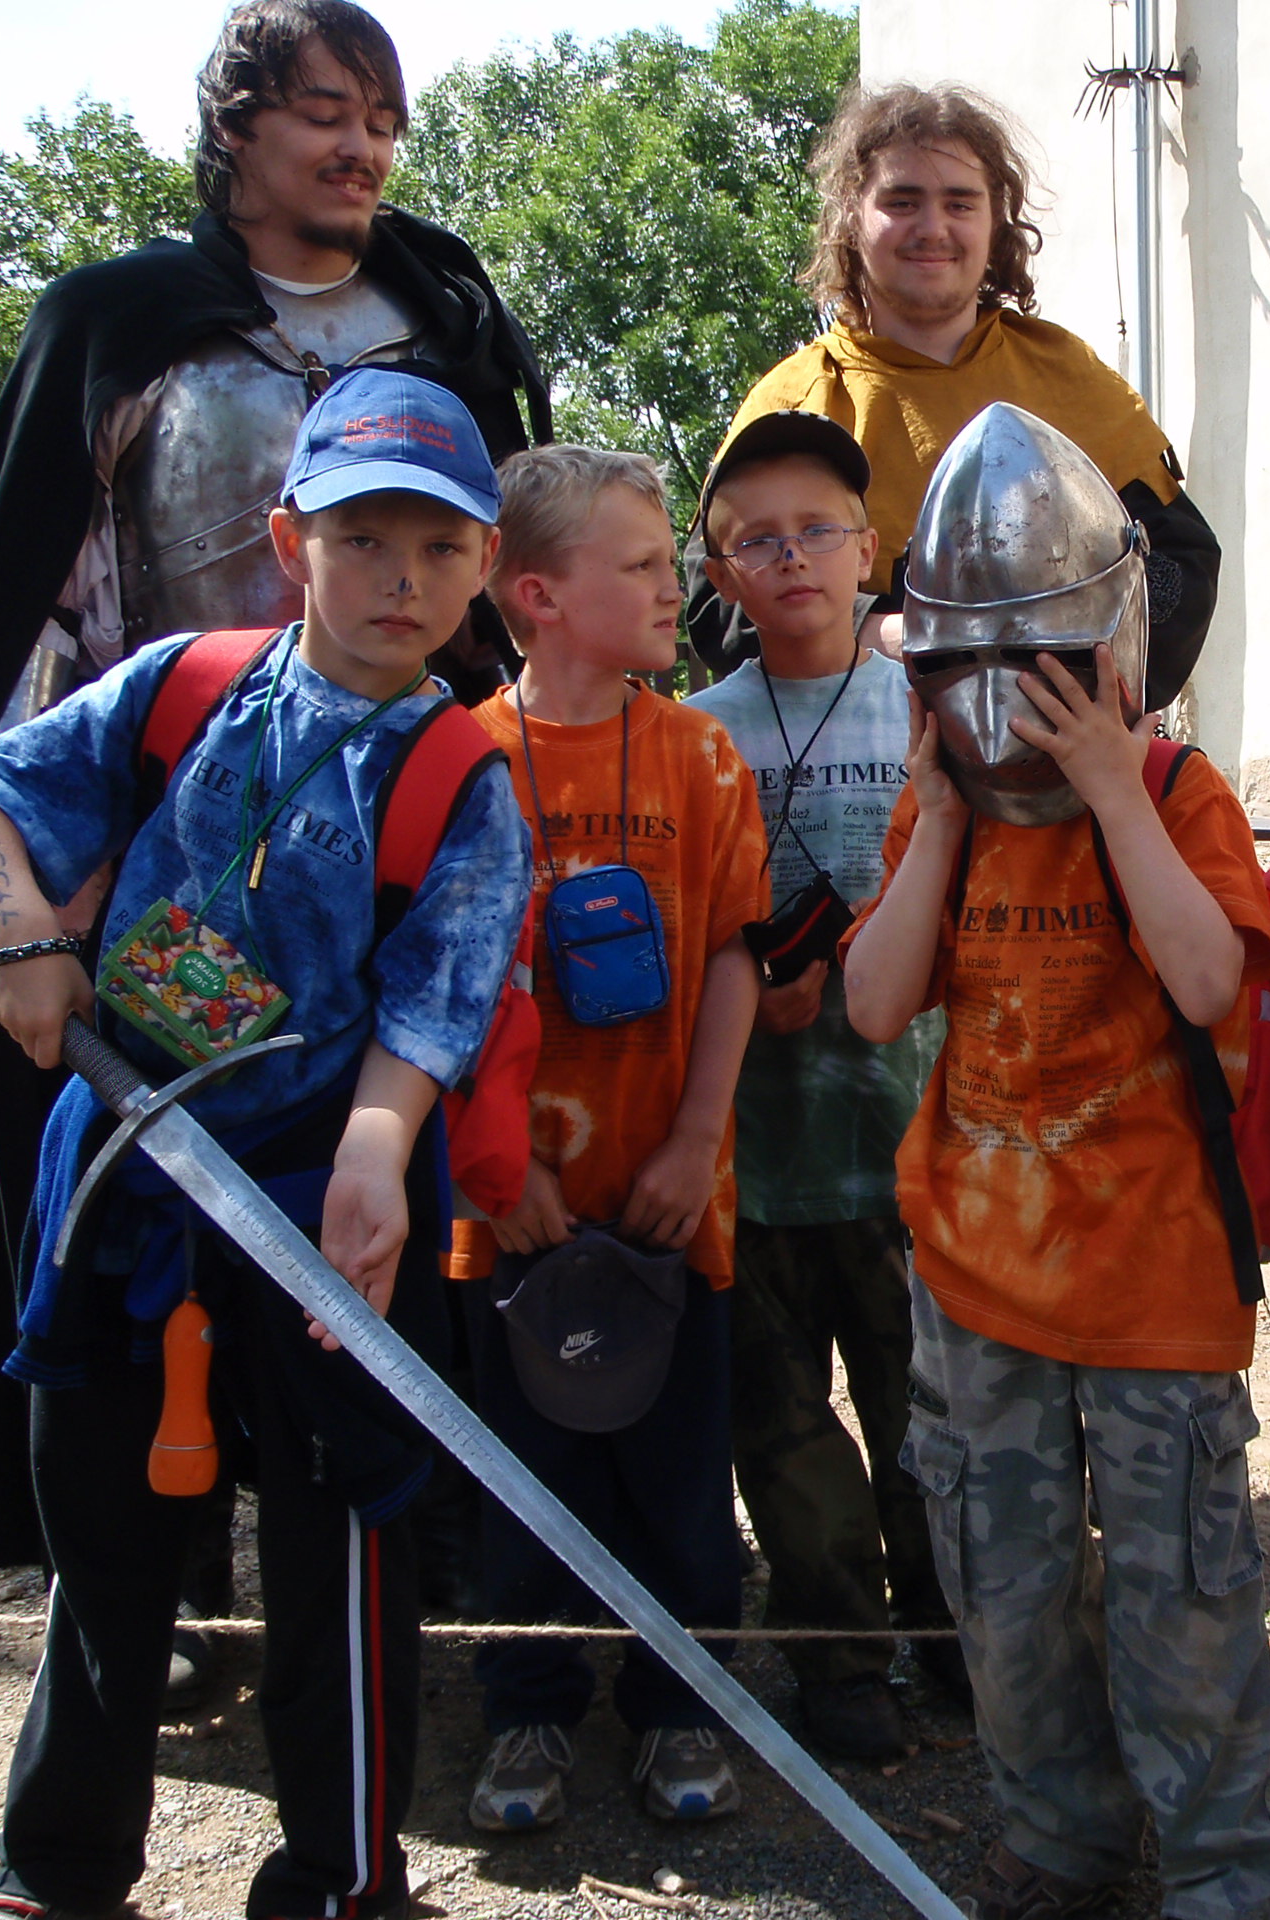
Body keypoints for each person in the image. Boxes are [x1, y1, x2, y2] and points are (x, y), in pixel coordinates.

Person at [0, 0, 549, 1578]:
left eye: (383, 122)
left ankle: (374, 1564)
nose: (363, 149)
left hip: (393, 837)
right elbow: (48, 600)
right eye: (325, 113)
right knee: (142, 1234)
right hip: (164, 820)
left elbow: (504, 596)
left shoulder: (444, 323)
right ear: (235, 128)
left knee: (369, 1203)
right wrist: (27, 864)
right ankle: (147, 1574)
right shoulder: (121, 323)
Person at [0, 366, 532, 1920]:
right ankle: (59, 1871)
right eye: (362, 539)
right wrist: (24, 929)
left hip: (319, 1202)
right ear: (288, 542)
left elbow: (436, 1004)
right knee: (106, 1549)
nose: (402, 579)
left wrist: (374, 1159)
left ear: (484, 566)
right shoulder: (180, 687)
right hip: (122, 1181)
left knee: (343, 1557)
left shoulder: (463, 778)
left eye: (441, 548)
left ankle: (340, 1880)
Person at [842, 403, 1270, 1920]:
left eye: (1038, 665)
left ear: (1110, 647)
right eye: (963, 671)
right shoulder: (948, 815)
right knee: (1006, 1585)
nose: (1003, 706)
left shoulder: (1176, 796)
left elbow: (1210, 979)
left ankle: (1232, 1870)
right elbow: (871, 1005)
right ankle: (1060, 1837)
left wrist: (1113, 788)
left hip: (1152, 1285)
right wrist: (934, 819)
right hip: (979, 1281)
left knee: (1184, 1597)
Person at [452, 444, 767, 1835]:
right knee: (523, 1479)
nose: (671, 587)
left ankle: (680, 1702)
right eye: (639, 565)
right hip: (511, 1206)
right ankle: (524, 1711)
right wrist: (491, 1164)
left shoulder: (700, 754)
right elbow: (431, 984)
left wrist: (698, 1138)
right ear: (537, 594)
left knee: (679, 1481)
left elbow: (737, 954)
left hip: (665, 1201)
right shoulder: (458, 760)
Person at [681, 411, 955, 1761]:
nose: (791, 557)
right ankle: (838, 1658)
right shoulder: (690, 735)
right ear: (719, 574)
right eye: (757, 541)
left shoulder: (936, 712)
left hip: (918, 1148)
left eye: (817, 530)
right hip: (758, 1158)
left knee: (931, 1420)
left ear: (871, 548)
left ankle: (953, 1640)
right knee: (784, 1434)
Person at [692, 81, 1221, 714]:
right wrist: (878, 635)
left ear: (995, 221)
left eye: (960, 203)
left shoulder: (1066, 376)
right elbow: (717, 597)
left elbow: (1178, 568)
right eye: (902, 201)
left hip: (1062, 743)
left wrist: (1087, 698)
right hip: (854, 747)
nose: (933, 228)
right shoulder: (800, 400)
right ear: (852, 218)